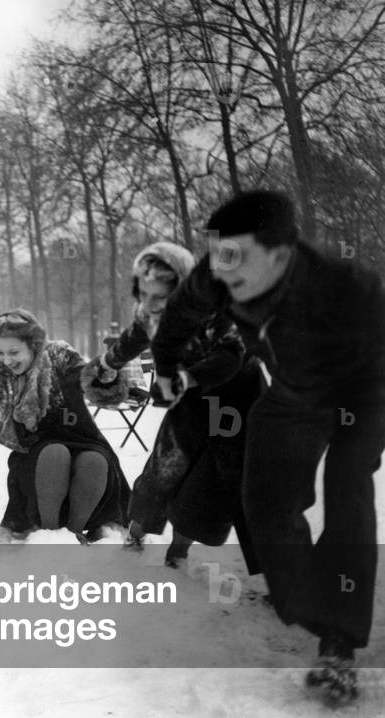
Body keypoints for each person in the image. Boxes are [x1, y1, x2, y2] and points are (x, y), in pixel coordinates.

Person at [150, 190, 385, 707]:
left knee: (348, 487)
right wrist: (167, 369)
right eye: (216, 255)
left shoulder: (347, 287)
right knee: (266, 502)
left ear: (279, 257)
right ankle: (303, 597)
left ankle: (339, 643)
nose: (221, 270)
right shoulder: (218, 272)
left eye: (235, 257)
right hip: (291, 394)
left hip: (362, 392)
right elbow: (177, 320)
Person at [82, 241, 263, 568]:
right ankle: (136, 534)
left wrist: (185, 379)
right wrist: (106, 366)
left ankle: (182, 553)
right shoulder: (149, 315)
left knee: (218, 481)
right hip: (190, 398)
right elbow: (132, 339)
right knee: (165, 467)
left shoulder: (218, 312)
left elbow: (229, 359)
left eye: (160, 297)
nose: (150, 305)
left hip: (237, 402)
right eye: (144, 295)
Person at [0, 309, 130, 543]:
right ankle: (50, 534)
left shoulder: (59, 356)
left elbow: (91, 380)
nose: (7, 360)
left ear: (34, 344)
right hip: (35, 451)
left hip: (81, 438)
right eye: (0, 352)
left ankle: (75, 533)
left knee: (94, 461)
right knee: (54, 454)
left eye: (14, 352)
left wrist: (107, 373)